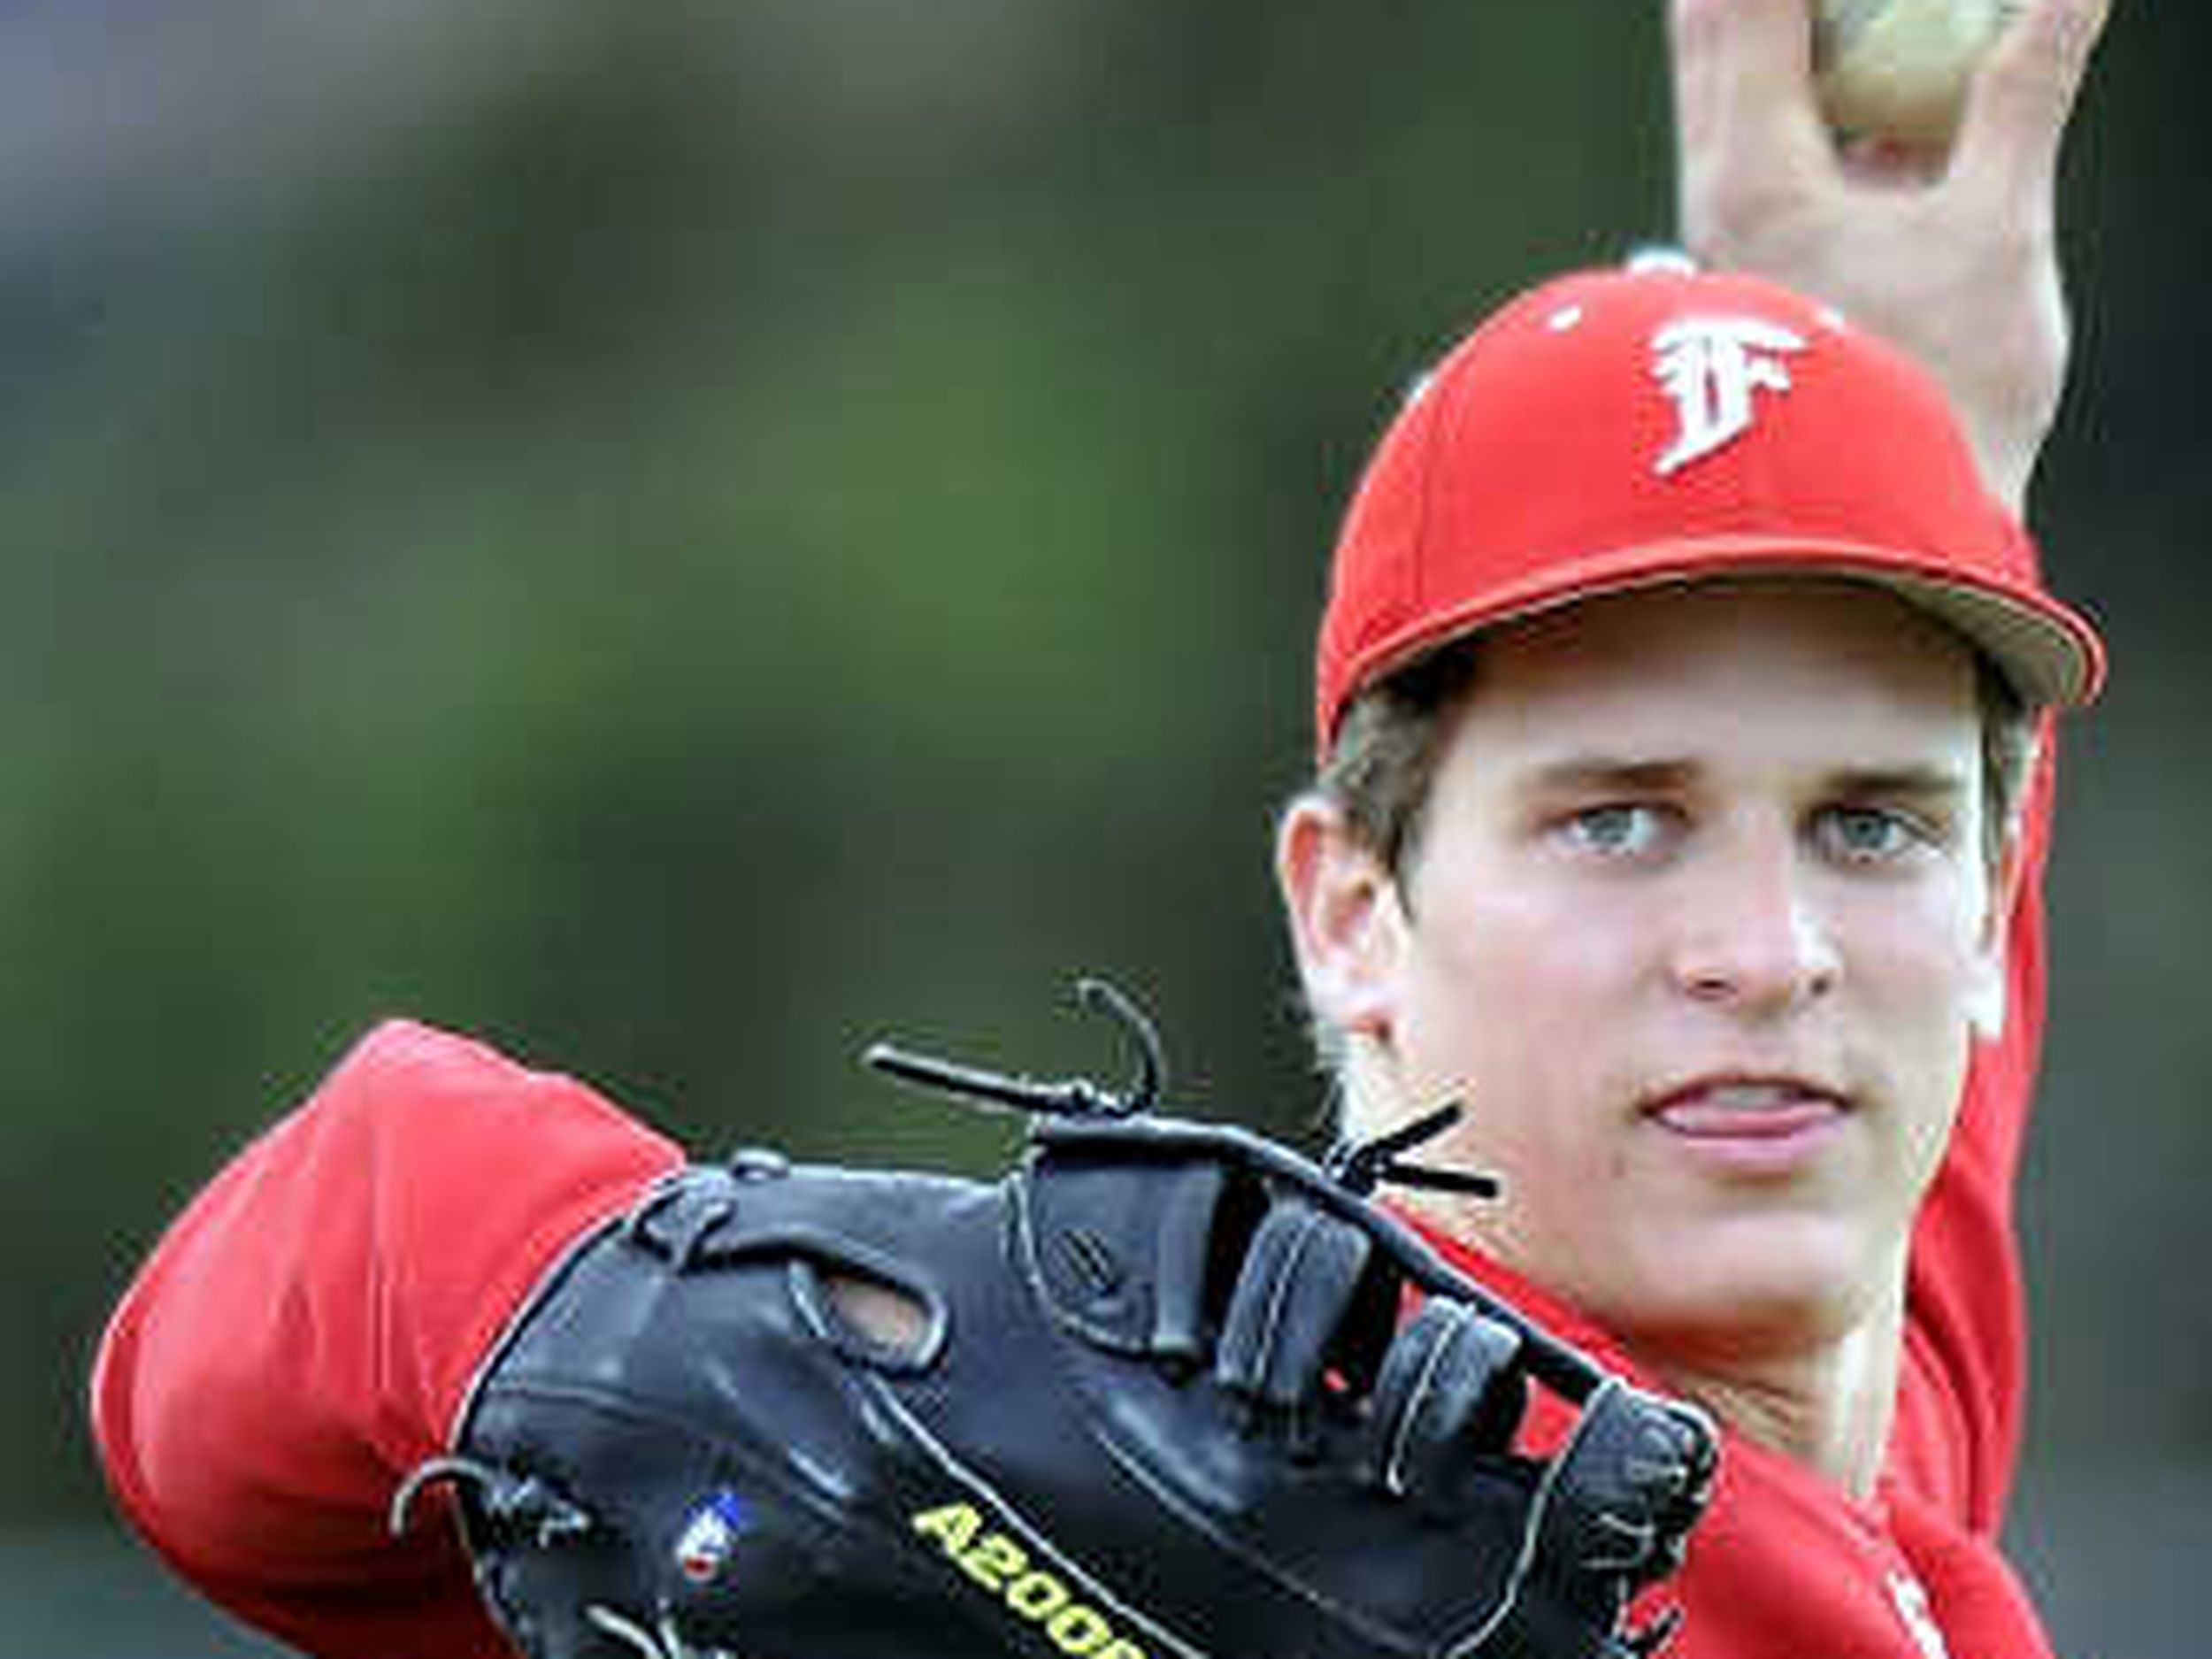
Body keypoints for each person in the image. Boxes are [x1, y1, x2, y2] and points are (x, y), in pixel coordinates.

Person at [88, 1, 2114, 1655]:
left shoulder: (1820, 1472)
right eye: (1616, 825)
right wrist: (693, 1352)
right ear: (1350, 915)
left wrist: (1910, 424)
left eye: (1864, 825)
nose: (1767, 949)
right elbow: (343, 1233)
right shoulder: (1145, 1542)